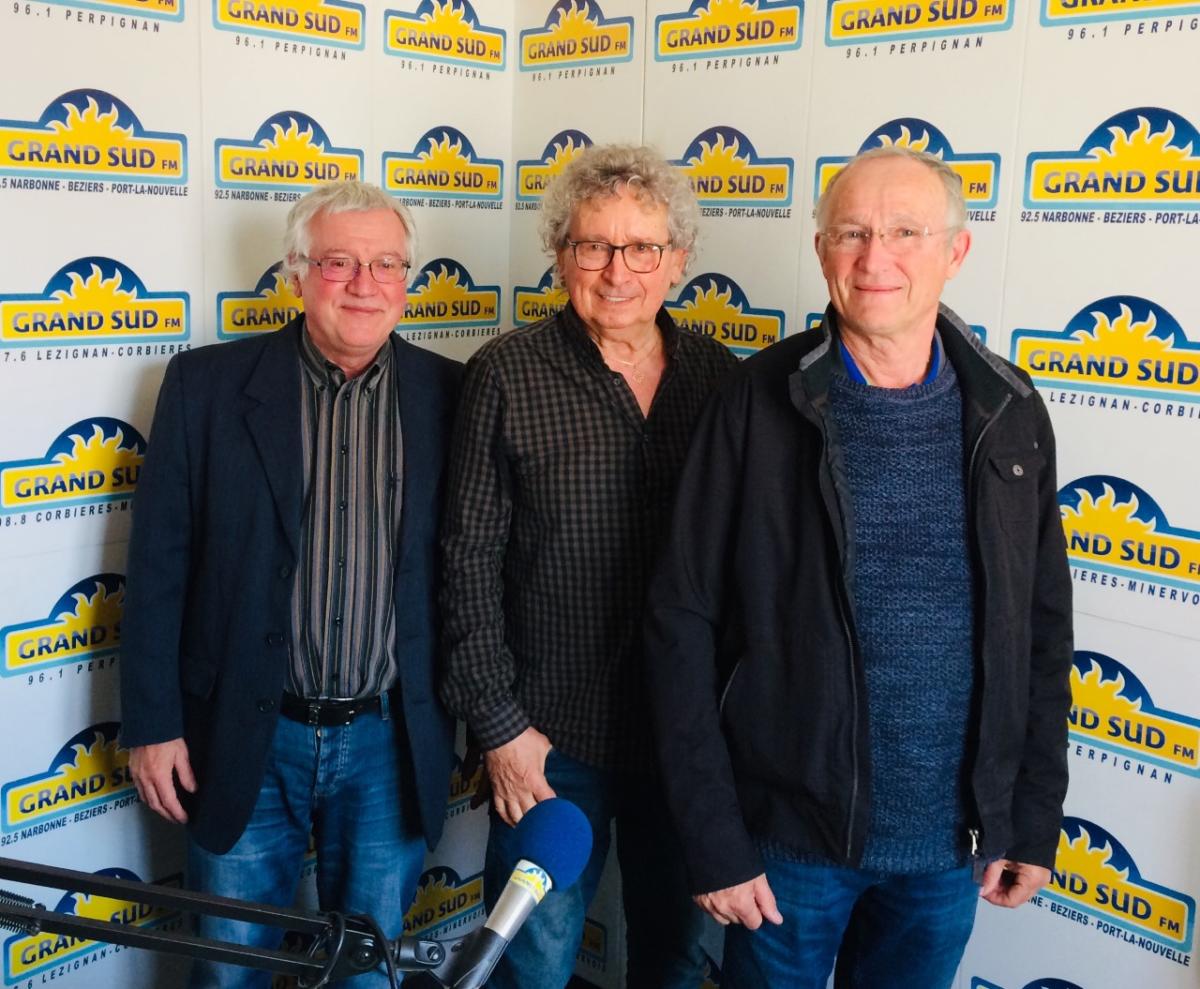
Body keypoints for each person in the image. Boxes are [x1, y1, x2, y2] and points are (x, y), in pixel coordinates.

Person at [645, 147, 1073, 989]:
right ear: (821, 250)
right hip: (784, 848)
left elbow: (1042, 630)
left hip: (949, 853)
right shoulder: (755, 399)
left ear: (956, 251)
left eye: (906, 232)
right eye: (852, 232)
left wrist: (1030, 816)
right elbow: (679, 619)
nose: (876, 259)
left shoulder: (1012, 409)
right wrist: (715, 838)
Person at [119, 180, 460, 988]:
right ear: (295, 272)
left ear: (408, 279)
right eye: (339, 262)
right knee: (229, 968)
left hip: (389, 741)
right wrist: (153, 722)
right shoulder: (204, 386)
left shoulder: (449, 393)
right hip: (242, 735)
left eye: (387, 264)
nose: (365, 284)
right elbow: (158, 565)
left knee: (367, 970)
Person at [439, 144, 737, 989]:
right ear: (561, 256)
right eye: (592, 246)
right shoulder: (505, 374)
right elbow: (464, 566)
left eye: (641, 247)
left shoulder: (718, 379)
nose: (617, 270)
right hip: (547, 741)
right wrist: (498, 728)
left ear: (677, 260)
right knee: (531, 961)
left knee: (677, 957)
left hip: (684, 735)